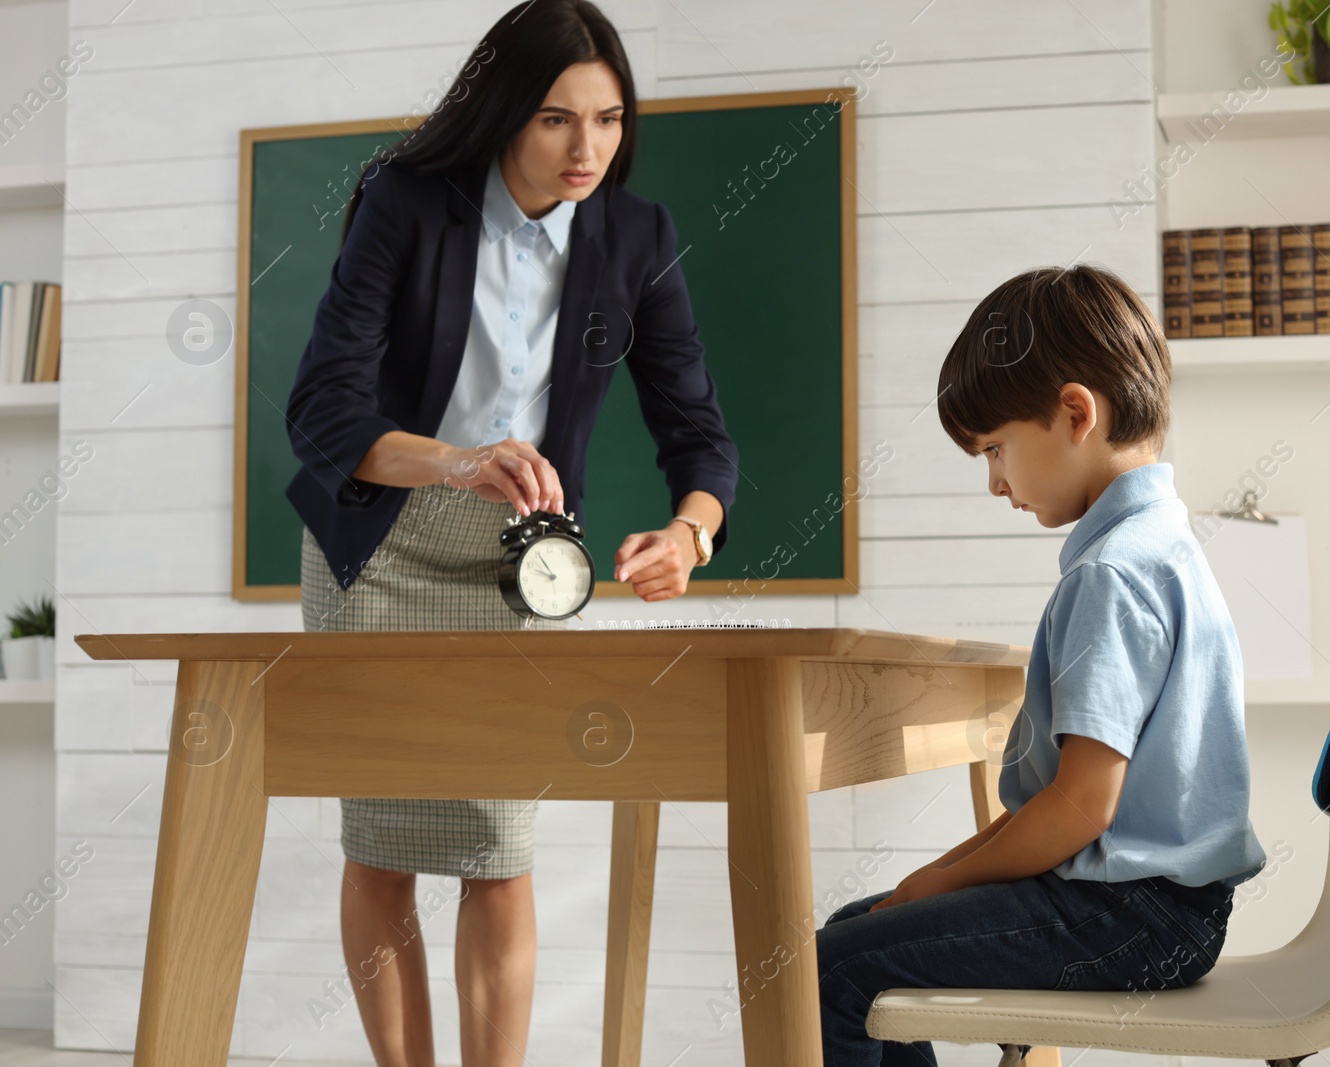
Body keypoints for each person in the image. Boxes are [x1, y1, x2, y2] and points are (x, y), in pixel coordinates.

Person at [282, 3, 737, 1064]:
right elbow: (322, 412)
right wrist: (453, 458)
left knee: (499, 842)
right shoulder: (405, 202)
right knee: (382, 840)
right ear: (500, 115)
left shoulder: (636, 237)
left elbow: (698, 433)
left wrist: (688, 533)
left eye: (610, 119)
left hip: (518, 560)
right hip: (376, 547)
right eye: (554, 120)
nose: (588, 150)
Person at [815, 264, 1268, 1065]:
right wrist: (931, 877)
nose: (996, 483)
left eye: (995, 449)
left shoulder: (1111, 572)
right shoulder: (1163, 545)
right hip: (1166, 912)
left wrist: (937, 884)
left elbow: (1080, 808)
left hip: (1129, 917)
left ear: (1074, 413)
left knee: (839, 967)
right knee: (860, 930)